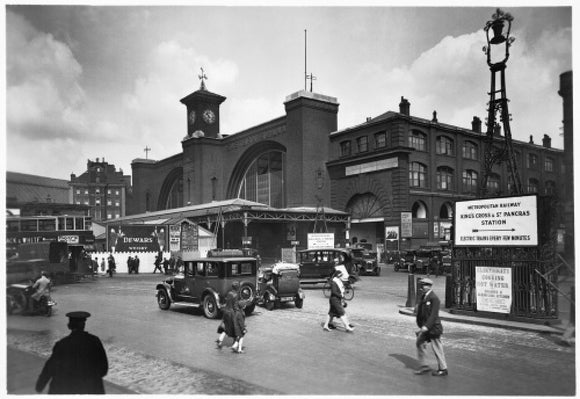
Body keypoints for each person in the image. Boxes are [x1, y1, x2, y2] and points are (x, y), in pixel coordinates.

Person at [35, 311, 109, 394]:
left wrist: (40, 385)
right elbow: (104, 368)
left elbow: (50, 367)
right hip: (91, 389)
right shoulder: (94, 341)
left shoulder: (62, 344)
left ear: (69, 325)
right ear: (83, 325)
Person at [414, 278, 448, 377]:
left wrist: (426, 327)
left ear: (429, 286)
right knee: (419, 343)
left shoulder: (434, 298)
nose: (422, 287)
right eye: (422, 285)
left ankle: (443, 368)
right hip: (425, 327)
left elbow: (433, 315)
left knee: (437, 347)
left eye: (424, 285)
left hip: (433, 328)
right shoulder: (424, 296)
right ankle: (424, 366)